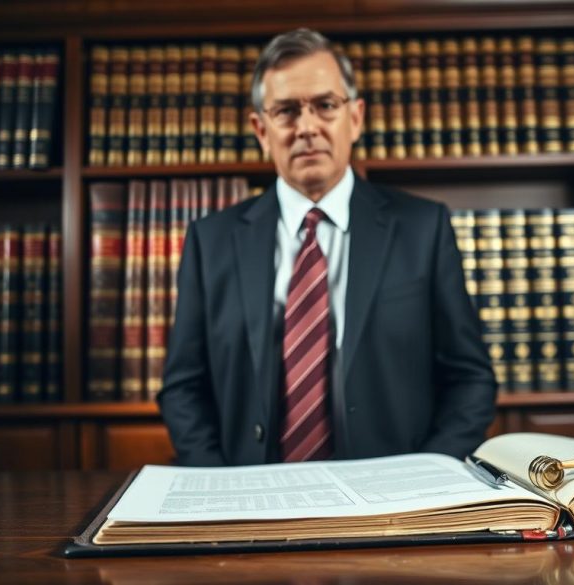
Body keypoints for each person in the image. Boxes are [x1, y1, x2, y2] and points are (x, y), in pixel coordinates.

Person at [158, 28, 497, 466]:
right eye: (286, 111)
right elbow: (183, 387)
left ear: (354, 118)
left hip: (392, 503)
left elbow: (471, 378)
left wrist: (425, 477)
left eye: (325, 106)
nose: (307, 127)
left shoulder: (422, 228)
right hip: (249, 499)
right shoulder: (211, 241)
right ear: (261, 129)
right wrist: (221, 483)